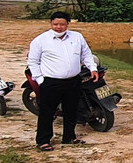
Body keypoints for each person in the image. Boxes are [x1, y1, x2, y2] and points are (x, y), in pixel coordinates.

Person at [27, 11, 99, 151]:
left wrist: (93, 68)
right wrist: (40, 80)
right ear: (51, 23)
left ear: (68, 24)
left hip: (73, 81)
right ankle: (43, 140)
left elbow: (86, 54)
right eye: (55, 24)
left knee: (71, 110)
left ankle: (69, 137)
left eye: (62, 24)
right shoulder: (40, 40)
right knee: (47, 112)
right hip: (51, 82)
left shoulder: (77, 37)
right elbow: (33, 62)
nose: (59, 27)